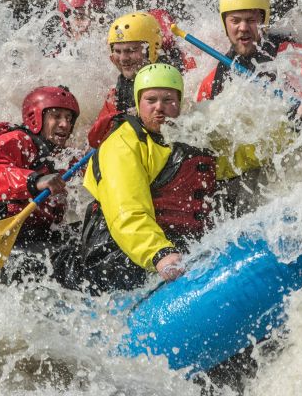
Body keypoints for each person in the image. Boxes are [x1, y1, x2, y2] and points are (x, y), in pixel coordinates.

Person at [57, 63, 216, 294]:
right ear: (138, 104)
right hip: (116, 252)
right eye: (151, 100)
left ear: (179, 103)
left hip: (173, 239)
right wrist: (159, 253)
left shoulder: (189, 133)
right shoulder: (122, 145)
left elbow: (236, 155)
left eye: (168, 100)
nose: (159, 108)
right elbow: (127, 211)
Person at [197, 0, 302, 216]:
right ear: (225, 24)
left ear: (263, 20)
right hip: (256, 173)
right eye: (235, 21)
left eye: (251, 20)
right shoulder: (215, 79)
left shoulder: (292, 55)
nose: (243, 28)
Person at [0, 86, 80, 278]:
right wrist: (35, 180)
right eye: (56, 116)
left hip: (38, 234)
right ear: (36, 118)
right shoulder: (16, 140)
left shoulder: (65, 156)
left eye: (68, 118)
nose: (64, 124)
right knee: (64, 262)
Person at [86, 11, 164, 148]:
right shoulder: (115, 95)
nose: (123, 58)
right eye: (117, 51)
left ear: (152, 49)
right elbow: (96, 143)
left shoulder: (173, 88)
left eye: (131, 50)